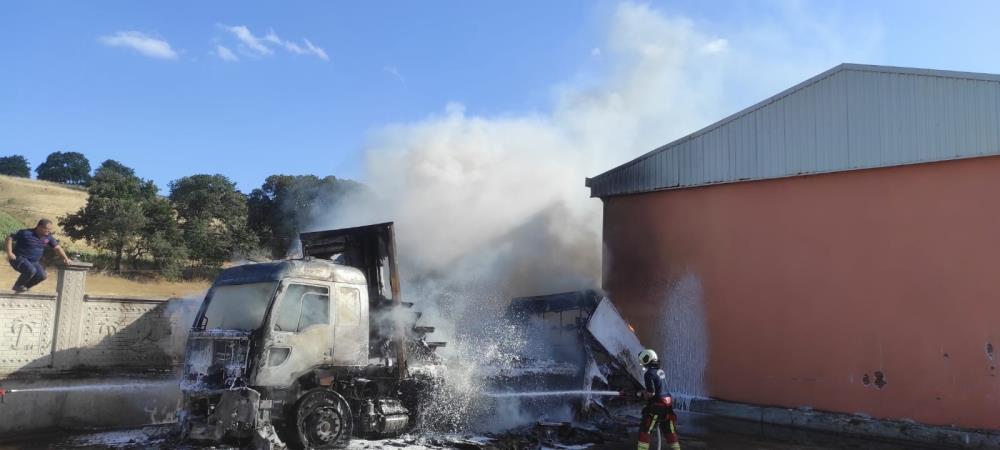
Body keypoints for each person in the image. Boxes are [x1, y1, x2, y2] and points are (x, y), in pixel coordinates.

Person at [6, 219, 71, 292]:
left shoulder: (48, 237)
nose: (49, 231)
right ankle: (18, 286)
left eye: (50, 229)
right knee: (31, 270)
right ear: (39, 227)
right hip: (19, 258)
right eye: (47, 229)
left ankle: (25, 287)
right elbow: (9, 238)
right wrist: (9, 253)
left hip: (34, 262)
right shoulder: (25, 233)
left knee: (42, 275)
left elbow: (57, 248)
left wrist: (65, 258)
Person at [635, 349, 681, 450]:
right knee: (670, 433)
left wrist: (642, 394)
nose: (642, 363)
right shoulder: (661, 371)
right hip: (668, 408)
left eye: (643, 360)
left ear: (647, 359)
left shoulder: (648, 374)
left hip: (656, 407)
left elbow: (651, 393)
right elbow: (660, 388)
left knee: (645, 431)